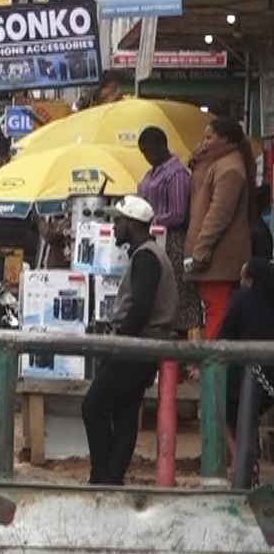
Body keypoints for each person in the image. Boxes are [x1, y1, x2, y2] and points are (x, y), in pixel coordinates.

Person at [81, 195, 180, 486]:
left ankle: (103, 475)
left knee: (94, 407)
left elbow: (141, 306)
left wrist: (121, 341)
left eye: (118, 221)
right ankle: (112, 477)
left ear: (133, 224)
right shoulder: (149, 253)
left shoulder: (146, 257)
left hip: (137, 345)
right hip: (145, 346)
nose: (113, 226)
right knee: (124, 413)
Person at [189, 115, 255, 340]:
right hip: (214, 259)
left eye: (209, 137)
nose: (204, 142)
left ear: (225, 139)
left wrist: (201, 249)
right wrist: (196, 160)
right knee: (213, 312)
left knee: (217, 315)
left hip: (219, 259)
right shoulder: (218, 162)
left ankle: (214, 372)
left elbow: (219, 215)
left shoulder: (230, 169)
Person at [137, 125, 202, 335]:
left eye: (148, 151)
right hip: (153, 239)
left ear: (161, 146)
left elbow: (178, 213)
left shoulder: (177, 174)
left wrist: (152, 218)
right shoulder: (152, 173)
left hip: (173, 242)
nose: (146, 156)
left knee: (175, 293)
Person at [218, 258, 274, 481]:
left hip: (246, 376)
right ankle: (242, 459)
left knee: (217, 408)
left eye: (242, 277)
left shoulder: (241, 298)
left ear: (249, 279)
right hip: (269, 380)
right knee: (245, 411)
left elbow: (225, 334)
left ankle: (239, 461)